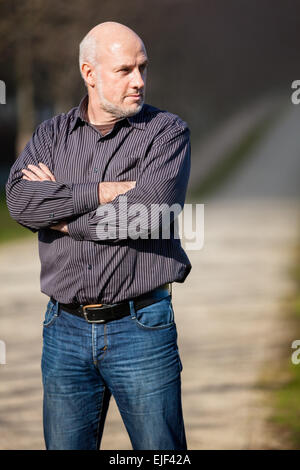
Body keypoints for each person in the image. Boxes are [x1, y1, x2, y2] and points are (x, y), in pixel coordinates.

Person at [6, 21, 192, 450]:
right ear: (89, 73)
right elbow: (19, 202)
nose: (139, 81)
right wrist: (104, 192)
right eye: (125, 70)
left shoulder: (166, 133)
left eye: (142, 67)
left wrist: (65, 218)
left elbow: (147, 215)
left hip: (142, 327)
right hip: (62, 329)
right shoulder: (51, 135)